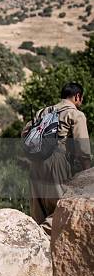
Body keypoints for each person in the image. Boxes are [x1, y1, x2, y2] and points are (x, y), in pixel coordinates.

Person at [22, 82, 91, 235]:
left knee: (38, 210)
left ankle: (35, 242)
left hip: (36, 162)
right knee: (62, 207)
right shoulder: (75, 114)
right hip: (58, 161)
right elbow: (83, 147)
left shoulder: (43, 112)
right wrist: (88, 175)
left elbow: (25, 132)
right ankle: (42, 236)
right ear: (77, 97)